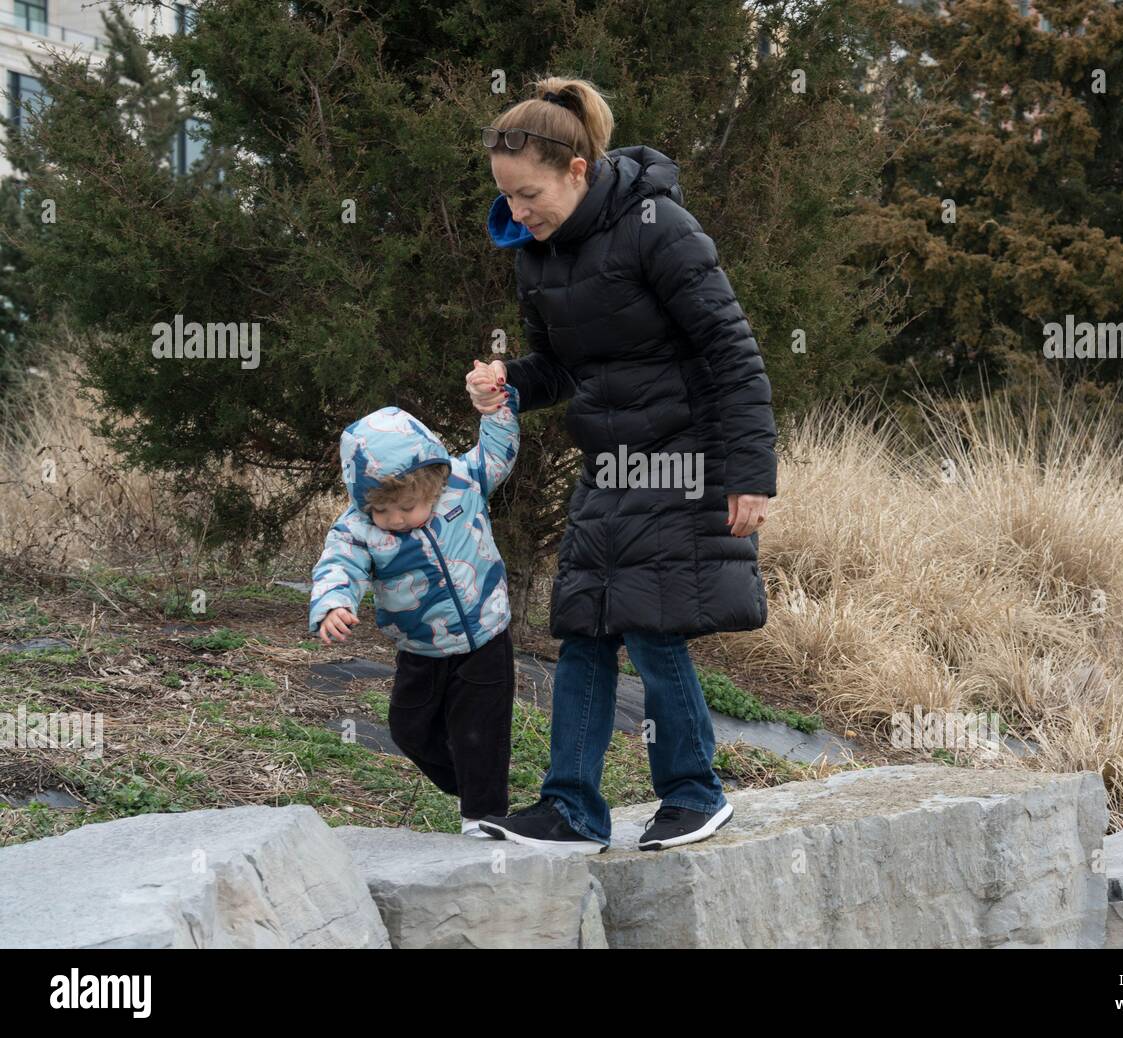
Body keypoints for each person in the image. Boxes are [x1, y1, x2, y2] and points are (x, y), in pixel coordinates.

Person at [470, 76, 777, 854]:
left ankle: (696, 793)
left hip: (685, 454)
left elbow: (733, 353)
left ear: (576, 169)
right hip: (609, 461)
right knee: (584, 626)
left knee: (650, 621)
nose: (516, 212)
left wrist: (749, 472)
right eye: (506, 196)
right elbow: (564, 366)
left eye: (528, 193)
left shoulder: (658, 227)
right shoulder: (536, 255)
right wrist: (511, 384)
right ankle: (571, 809)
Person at [307, 391, 520, 837]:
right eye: (381, 509)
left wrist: (496, 407)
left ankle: (484, 816)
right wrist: (334, 603)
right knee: (409, 729)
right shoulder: (358, 529)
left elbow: (497, 451)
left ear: (432, 483)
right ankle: (475, 782)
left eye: (406, 507)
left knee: (478, 729)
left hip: (485, 637)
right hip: (421, 648)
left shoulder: (463, 482)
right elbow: (338, 565)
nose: (396, 519)